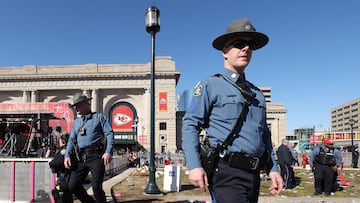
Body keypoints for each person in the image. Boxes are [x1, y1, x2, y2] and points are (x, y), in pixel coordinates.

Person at [182, 18, 283, 203]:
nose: (246, 49)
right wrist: (194, 165)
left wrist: (273, 168)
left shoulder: (257, 94)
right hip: (226, 172)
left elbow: (264, 134)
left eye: (250, 45)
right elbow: (190, 124)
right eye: (239, 44)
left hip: (253, 175)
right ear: (225, 51)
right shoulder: (210, 85)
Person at [64, 93, 114, 203]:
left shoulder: (98, 117)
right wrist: (67, 155)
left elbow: (109, 134)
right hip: (81, 158)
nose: (76, 109)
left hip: (96, 156)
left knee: (96, 186)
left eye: (78, 105)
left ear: (86, 104)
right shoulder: (77, 122)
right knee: (73, 185)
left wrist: (108, 152)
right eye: (75, 106)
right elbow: (72, 140)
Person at [49, 133, 74, 203]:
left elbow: (57, 162)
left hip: (64, 178)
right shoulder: (70, 149)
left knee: (61, 197)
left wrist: (51, 163)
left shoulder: (64, 151)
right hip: (67, 178)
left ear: (63, 141)